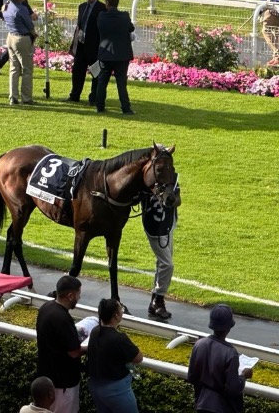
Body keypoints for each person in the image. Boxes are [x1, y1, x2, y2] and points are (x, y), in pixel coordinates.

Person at [188, 304, 251, 413]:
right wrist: (244, 376)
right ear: (229, 328)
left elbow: (191, 377)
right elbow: (233, 389)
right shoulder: (231, 353)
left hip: (201, 405)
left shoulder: (199, 344)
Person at [35, 276, 83, 413]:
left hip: (48, 379)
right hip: (63, 386)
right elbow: (74, 352)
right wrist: (89, 347)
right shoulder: (62, 318)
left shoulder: (45, 307)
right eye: (78, 294)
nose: (79, 297)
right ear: (70, 296)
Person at [87, 298, 143, 413]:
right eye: (121, 309)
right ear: (116, 316)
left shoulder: (95, 331)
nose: (122, 311)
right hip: (117, 391)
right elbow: (139, 358)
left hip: (96, 387)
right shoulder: (119, 338)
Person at [139, 173, 180, 321]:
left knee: (162, 264)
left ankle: (154, 301)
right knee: (167, 265)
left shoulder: (171, 178)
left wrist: (170, 199)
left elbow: (178, 201)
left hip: (168, 225)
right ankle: (158, 299)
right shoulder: (146, 180)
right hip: (154, 226)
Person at [95, 0, 135, 115]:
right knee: (121, 83)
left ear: (107, 3)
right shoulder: (124, 16)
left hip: (106, 54)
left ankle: (100, 106)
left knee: (102, 82)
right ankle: (126, 107)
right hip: (122, 55)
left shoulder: (101, 16)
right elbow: (131, 28)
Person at [67, 0, 104, 105]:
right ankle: (74, 95)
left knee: (96, 73)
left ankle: (93, 98)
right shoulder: (82, 7)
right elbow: (78, 26)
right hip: (81, 45)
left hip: (94, 47)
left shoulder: (102, 8)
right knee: (77, 72)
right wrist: (73, 45)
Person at [3, 0, 38, 105]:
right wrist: (34, 34)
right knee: (27, 69)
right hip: (22, 39)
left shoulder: (6, 6)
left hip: (10, 37)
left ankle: (13, 97)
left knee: (14, 68)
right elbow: (29, 25)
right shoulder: (21, 9)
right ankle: (26, 98)